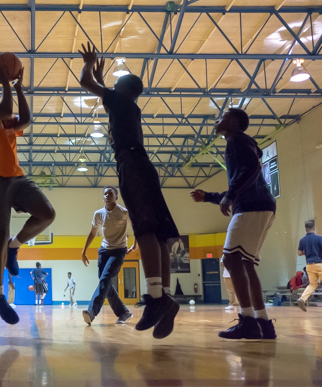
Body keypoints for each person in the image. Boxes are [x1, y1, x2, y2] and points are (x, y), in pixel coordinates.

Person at [79, 42, 180, 339]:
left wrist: (89, 64)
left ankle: (157, 300)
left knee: (146, 230)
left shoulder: (121, 103)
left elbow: (86, 83)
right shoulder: (127, 107)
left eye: (112, 86)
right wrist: (101, 80)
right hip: (142, 164)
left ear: (121, 90)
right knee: (158, 234)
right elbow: (102, 93)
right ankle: (163, 298)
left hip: (132, 166)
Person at [0, 65, 56, 324]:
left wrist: (17, 88)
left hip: (15, 175)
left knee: (47, 213)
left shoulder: (5, 117)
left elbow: (25, 120)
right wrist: (6, 82)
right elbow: (5, 110)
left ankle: (14, 247)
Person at [191, 108, 277, 340]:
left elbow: (251, 169)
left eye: (224, 116)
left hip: (251, 206)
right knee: (246, 264)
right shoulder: (243, 143)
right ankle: (263, 323)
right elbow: (244, 180)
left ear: (235, 122)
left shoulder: (236, 140)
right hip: (262, 205)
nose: (218, 119)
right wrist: (210, 196)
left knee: (230, 258)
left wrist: (230, 195)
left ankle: (248, 321)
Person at [81, 187, 134, 325]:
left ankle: (92, 312)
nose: (107, 195)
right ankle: (123, 312)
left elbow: (136, 226)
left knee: (104, 279)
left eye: (110, 193)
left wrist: (135, 244)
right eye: (105, 193)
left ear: (116, 197)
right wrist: (84, 251)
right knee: (105, 282)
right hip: (104, 251)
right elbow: (93, 233)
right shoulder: (98, 214)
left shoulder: (123, 212)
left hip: (118, 251)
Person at [297, 220, 322, 311]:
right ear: (314, 228)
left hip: (309, 265)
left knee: (312, 284)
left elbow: (299, 253)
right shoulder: (319, 238)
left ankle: (302, 299)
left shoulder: (302, 240)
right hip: (319, 264)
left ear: (306, 229)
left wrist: (307, 251)